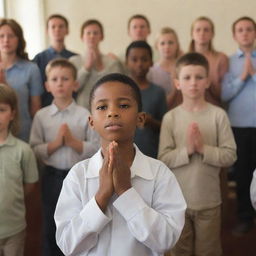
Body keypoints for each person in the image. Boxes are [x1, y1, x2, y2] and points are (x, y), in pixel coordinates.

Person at [54, 73, 186, 256]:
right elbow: (67, 244)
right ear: (91, 122)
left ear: (141, 119)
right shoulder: (78, 175)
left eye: (123, 105)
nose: (112, 112)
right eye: (102, 107)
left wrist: (126, 192)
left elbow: (166, 240)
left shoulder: (159, 174)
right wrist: (101, 196)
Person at [158, 52, 237, 256]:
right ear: (177, 83)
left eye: (199, 77)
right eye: (187, 77)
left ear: (208, 81)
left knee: (208, 251)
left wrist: (203, 149)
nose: (193, 83)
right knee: (179, 251)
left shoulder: (218, 115)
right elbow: (163, 158)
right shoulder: (170, 118)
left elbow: (230, 155)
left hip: (209, 201)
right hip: (177, 203)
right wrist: (188, 151)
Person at [29, 58, 100, 256]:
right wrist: (55, 144)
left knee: (80, 226)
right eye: (55, 79)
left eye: (65, 78)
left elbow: (96, 147)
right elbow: (34, 149)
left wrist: (72, 142)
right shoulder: (41, 116)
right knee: (52, 227)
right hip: (52, 178)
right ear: (47, 85)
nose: (60, 83)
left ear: (75, 84)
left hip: (80, 178)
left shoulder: (85, 114)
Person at [221, 16, 256, 235]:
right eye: (240, 30)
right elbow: (224, 94)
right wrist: (243, 77)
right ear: (234, 36)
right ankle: (245, 217)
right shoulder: (229, 62)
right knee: (243, 174)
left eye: (249, 29)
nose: (245, 33)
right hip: (239, 127)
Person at [0, 83, 38, 256]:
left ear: (12, 113)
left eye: (1, 110)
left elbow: (29, 186)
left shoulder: (23, 150)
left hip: (14, 230)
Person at [0, 18, 43, 142]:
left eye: (11, 36)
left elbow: (35, 109)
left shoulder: (31, 69)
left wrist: (5, 85)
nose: (6, 40)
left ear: (18, 40)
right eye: (1, 36)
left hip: (22, 134)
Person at [126, 40, 167, 158]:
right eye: (134, 60)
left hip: (150, 153)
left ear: (151, 62)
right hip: (122, 154)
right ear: (126, 62)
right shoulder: (119, 91)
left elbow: (165, 127)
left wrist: (151, 121)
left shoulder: (158, 92)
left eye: (144, 59)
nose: (139, 64)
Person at [69, 19, 123, 109]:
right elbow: (73, 87)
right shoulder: (74, 61)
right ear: (82, 37)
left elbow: (116, 87)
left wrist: (100, 67)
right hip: (82, 111)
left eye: (95, 33)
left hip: (108, 109)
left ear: (102, 36)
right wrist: (86, 68)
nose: (92, 36)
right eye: (88, 33)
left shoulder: (111, 62)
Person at [33, 14, 77, 107]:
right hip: (46, 108)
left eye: (61, 26)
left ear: (67, 30)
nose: (57, 30)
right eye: (53, 27)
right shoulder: (38, 59)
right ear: (47, 31)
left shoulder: (75, 58)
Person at [189, 16, 228, 106]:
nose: (202, 33)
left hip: (213, 108)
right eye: (198, 30)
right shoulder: (184, 59)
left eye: (206, 30)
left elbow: (224, 93)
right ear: (192, 34)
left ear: (212, 34)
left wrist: (207, 80)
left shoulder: (221, 58)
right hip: (189, 110)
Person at [147, 27, 183, 109]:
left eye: (170, 43)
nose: (167, 46)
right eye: (162, 43)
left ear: (177, 45)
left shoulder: (184, 69)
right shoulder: (151, 71)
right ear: (156, 46)